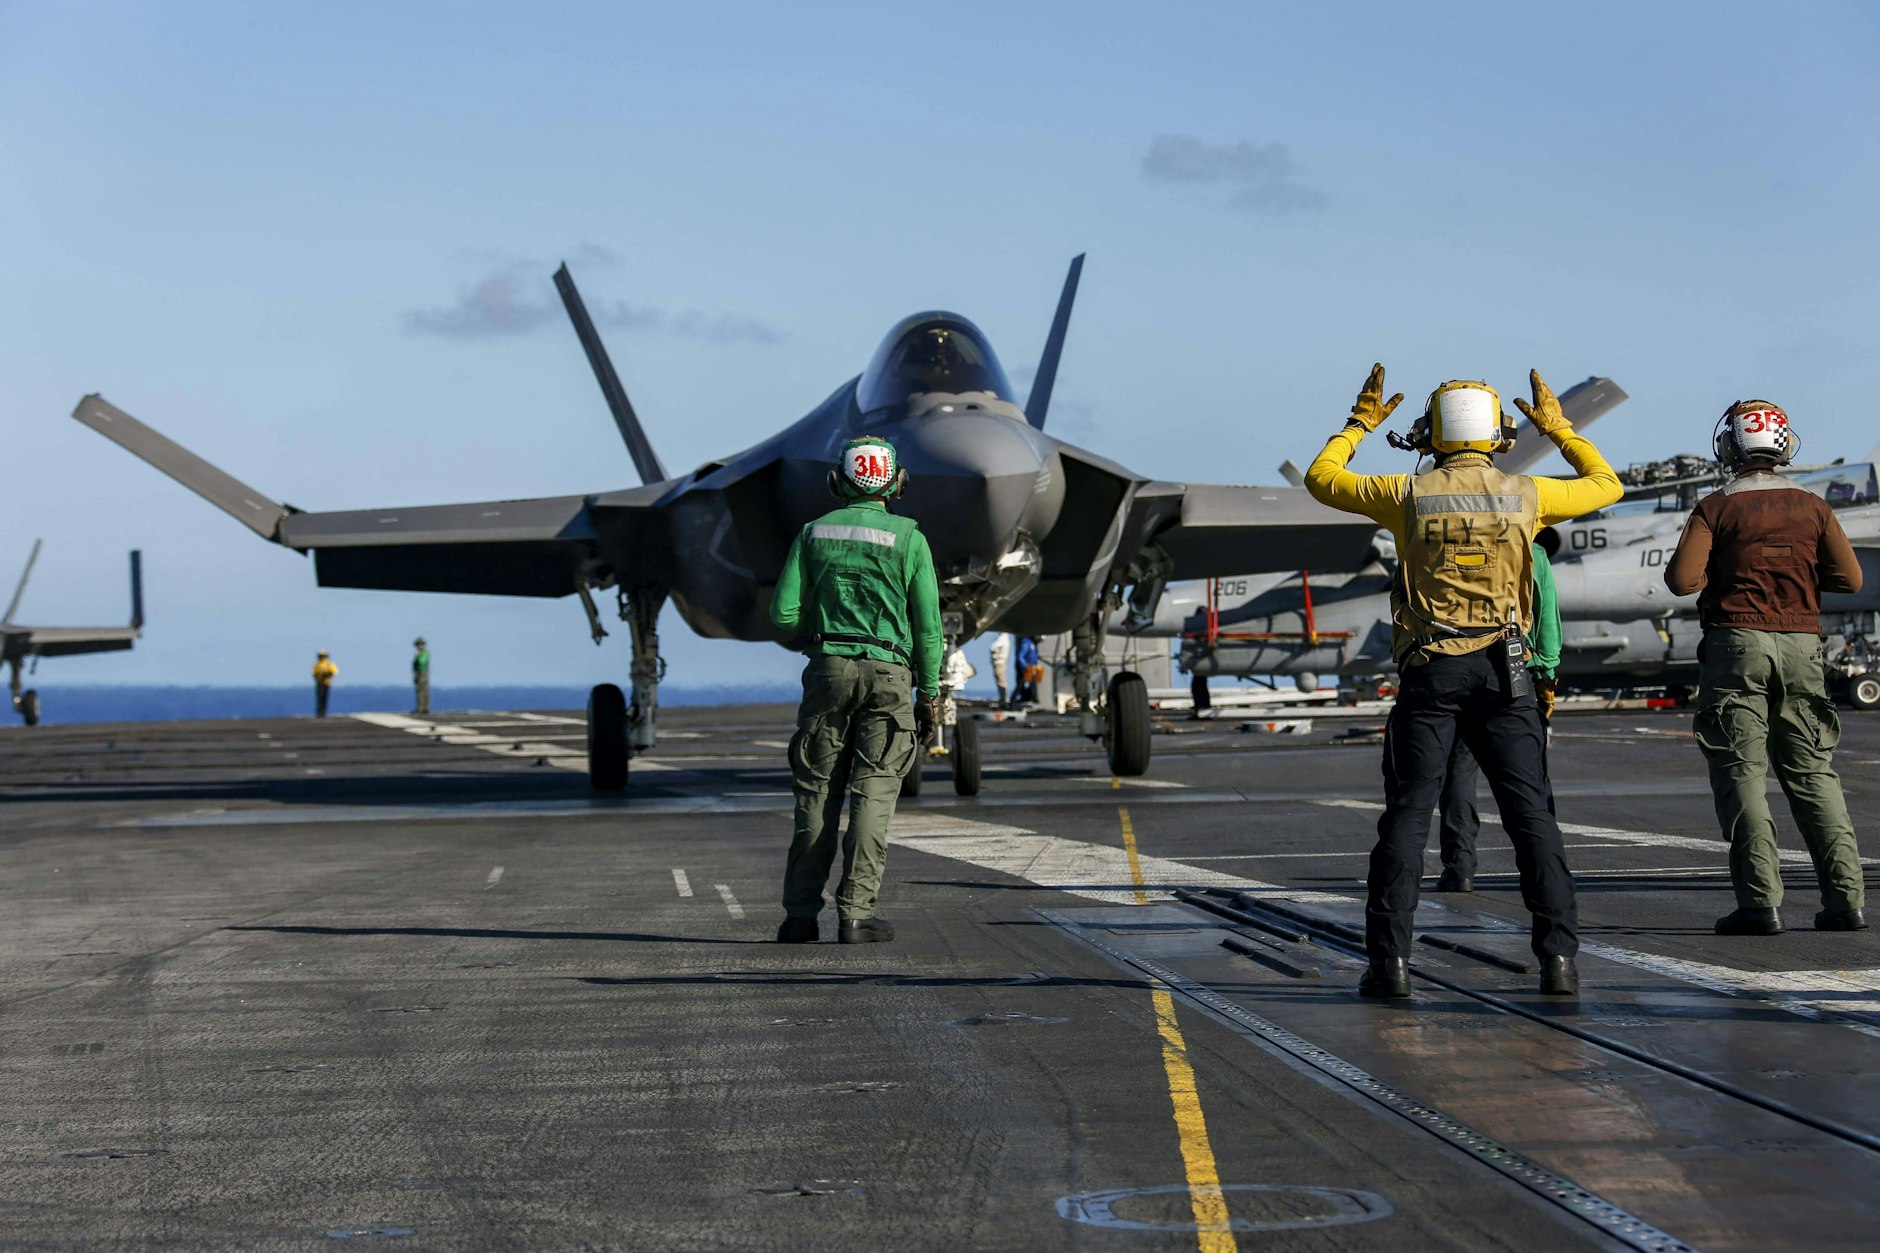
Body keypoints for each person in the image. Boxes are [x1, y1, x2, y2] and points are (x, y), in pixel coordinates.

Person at [1305, 365, 1622, 998]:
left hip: (1431, 670)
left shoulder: (1406, 493)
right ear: (1499, 434)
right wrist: (1559, 428)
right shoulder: (1528, 494)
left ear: (1433, 433)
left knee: (1407, 816)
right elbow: (1606, 485)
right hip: (1507, 671)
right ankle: (1558, 961)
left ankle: (1389, 965)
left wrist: (1359, 425)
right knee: (1532, 817)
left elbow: (1321, 479)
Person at [1665, 399, 1866, 934]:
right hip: (1802, 646)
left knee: (1742, 773)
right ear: (1783, 445)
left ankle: (1760, 904)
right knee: (1814, 773)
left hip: (1736, 647)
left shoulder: (1716, 506)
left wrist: (1732, 578)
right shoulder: (1813, 506)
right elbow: (1850, 581)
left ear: (1729, 446)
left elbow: (1683, 581)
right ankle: (1846, 900)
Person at [769, 435, 943, 945]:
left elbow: (782, 614)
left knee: (817, 793)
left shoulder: (812, 533)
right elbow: (928, 629)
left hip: (829, 670)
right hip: (890, 676)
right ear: (896, 483)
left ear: (837, 481)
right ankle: (856, 916)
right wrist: (928, 695)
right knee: (874, 794)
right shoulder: (909, 537)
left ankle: (799, 917)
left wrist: (823, 636)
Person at [1434, 540, 1562, 893]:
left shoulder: (1447, 543)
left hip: (1453, 664)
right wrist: (1547, 672)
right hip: (1516, 667)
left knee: (1458, 771)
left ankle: (1459, 867)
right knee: (1529, 777)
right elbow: (1545, 612)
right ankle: (1546, 870)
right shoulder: (1531, 551)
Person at [1015, 635, 1042, 705]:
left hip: (1031, 666)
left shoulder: (1033, 644)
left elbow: (1034, 656)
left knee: (1033, 682)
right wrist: (1026, 666)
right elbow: (1020, 656)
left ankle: (1033, 698)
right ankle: (1015, 699)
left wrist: (1035, 665)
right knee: (1022, 683)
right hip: (1025, 667)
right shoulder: (1026, 643)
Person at [988, 632, 1012, 708]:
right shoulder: (1007, 639)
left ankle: (1003, 701)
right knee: (1003, 681)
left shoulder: (1002, 638)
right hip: (1003, 662)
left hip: (999, 662)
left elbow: (992, 647)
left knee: (1001, 682)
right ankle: (1003, 700)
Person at [312, 650, 338, 718]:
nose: (322, 658)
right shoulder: (317, 665)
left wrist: (327, 674)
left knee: (325, 698)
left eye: (324, 656)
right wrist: (319, 675)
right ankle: (319, 712)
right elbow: (314, 673)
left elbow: (334, 671)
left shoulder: (329, 664)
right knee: (319, 698)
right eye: (321, 656)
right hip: (319, 683)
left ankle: (323, 712)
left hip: (327, 684)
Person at [411, 637, 431, 715]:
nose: (418, 646)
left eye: (419, 644)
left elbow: (422, 662)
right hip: (418, 673)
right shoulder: (421, 653)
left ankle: (423, 708)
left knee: (422, 690)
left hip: (422, 673)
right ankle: (421, 707)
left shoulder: (424, 653)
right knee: (420, 690)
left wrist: (418, 657)